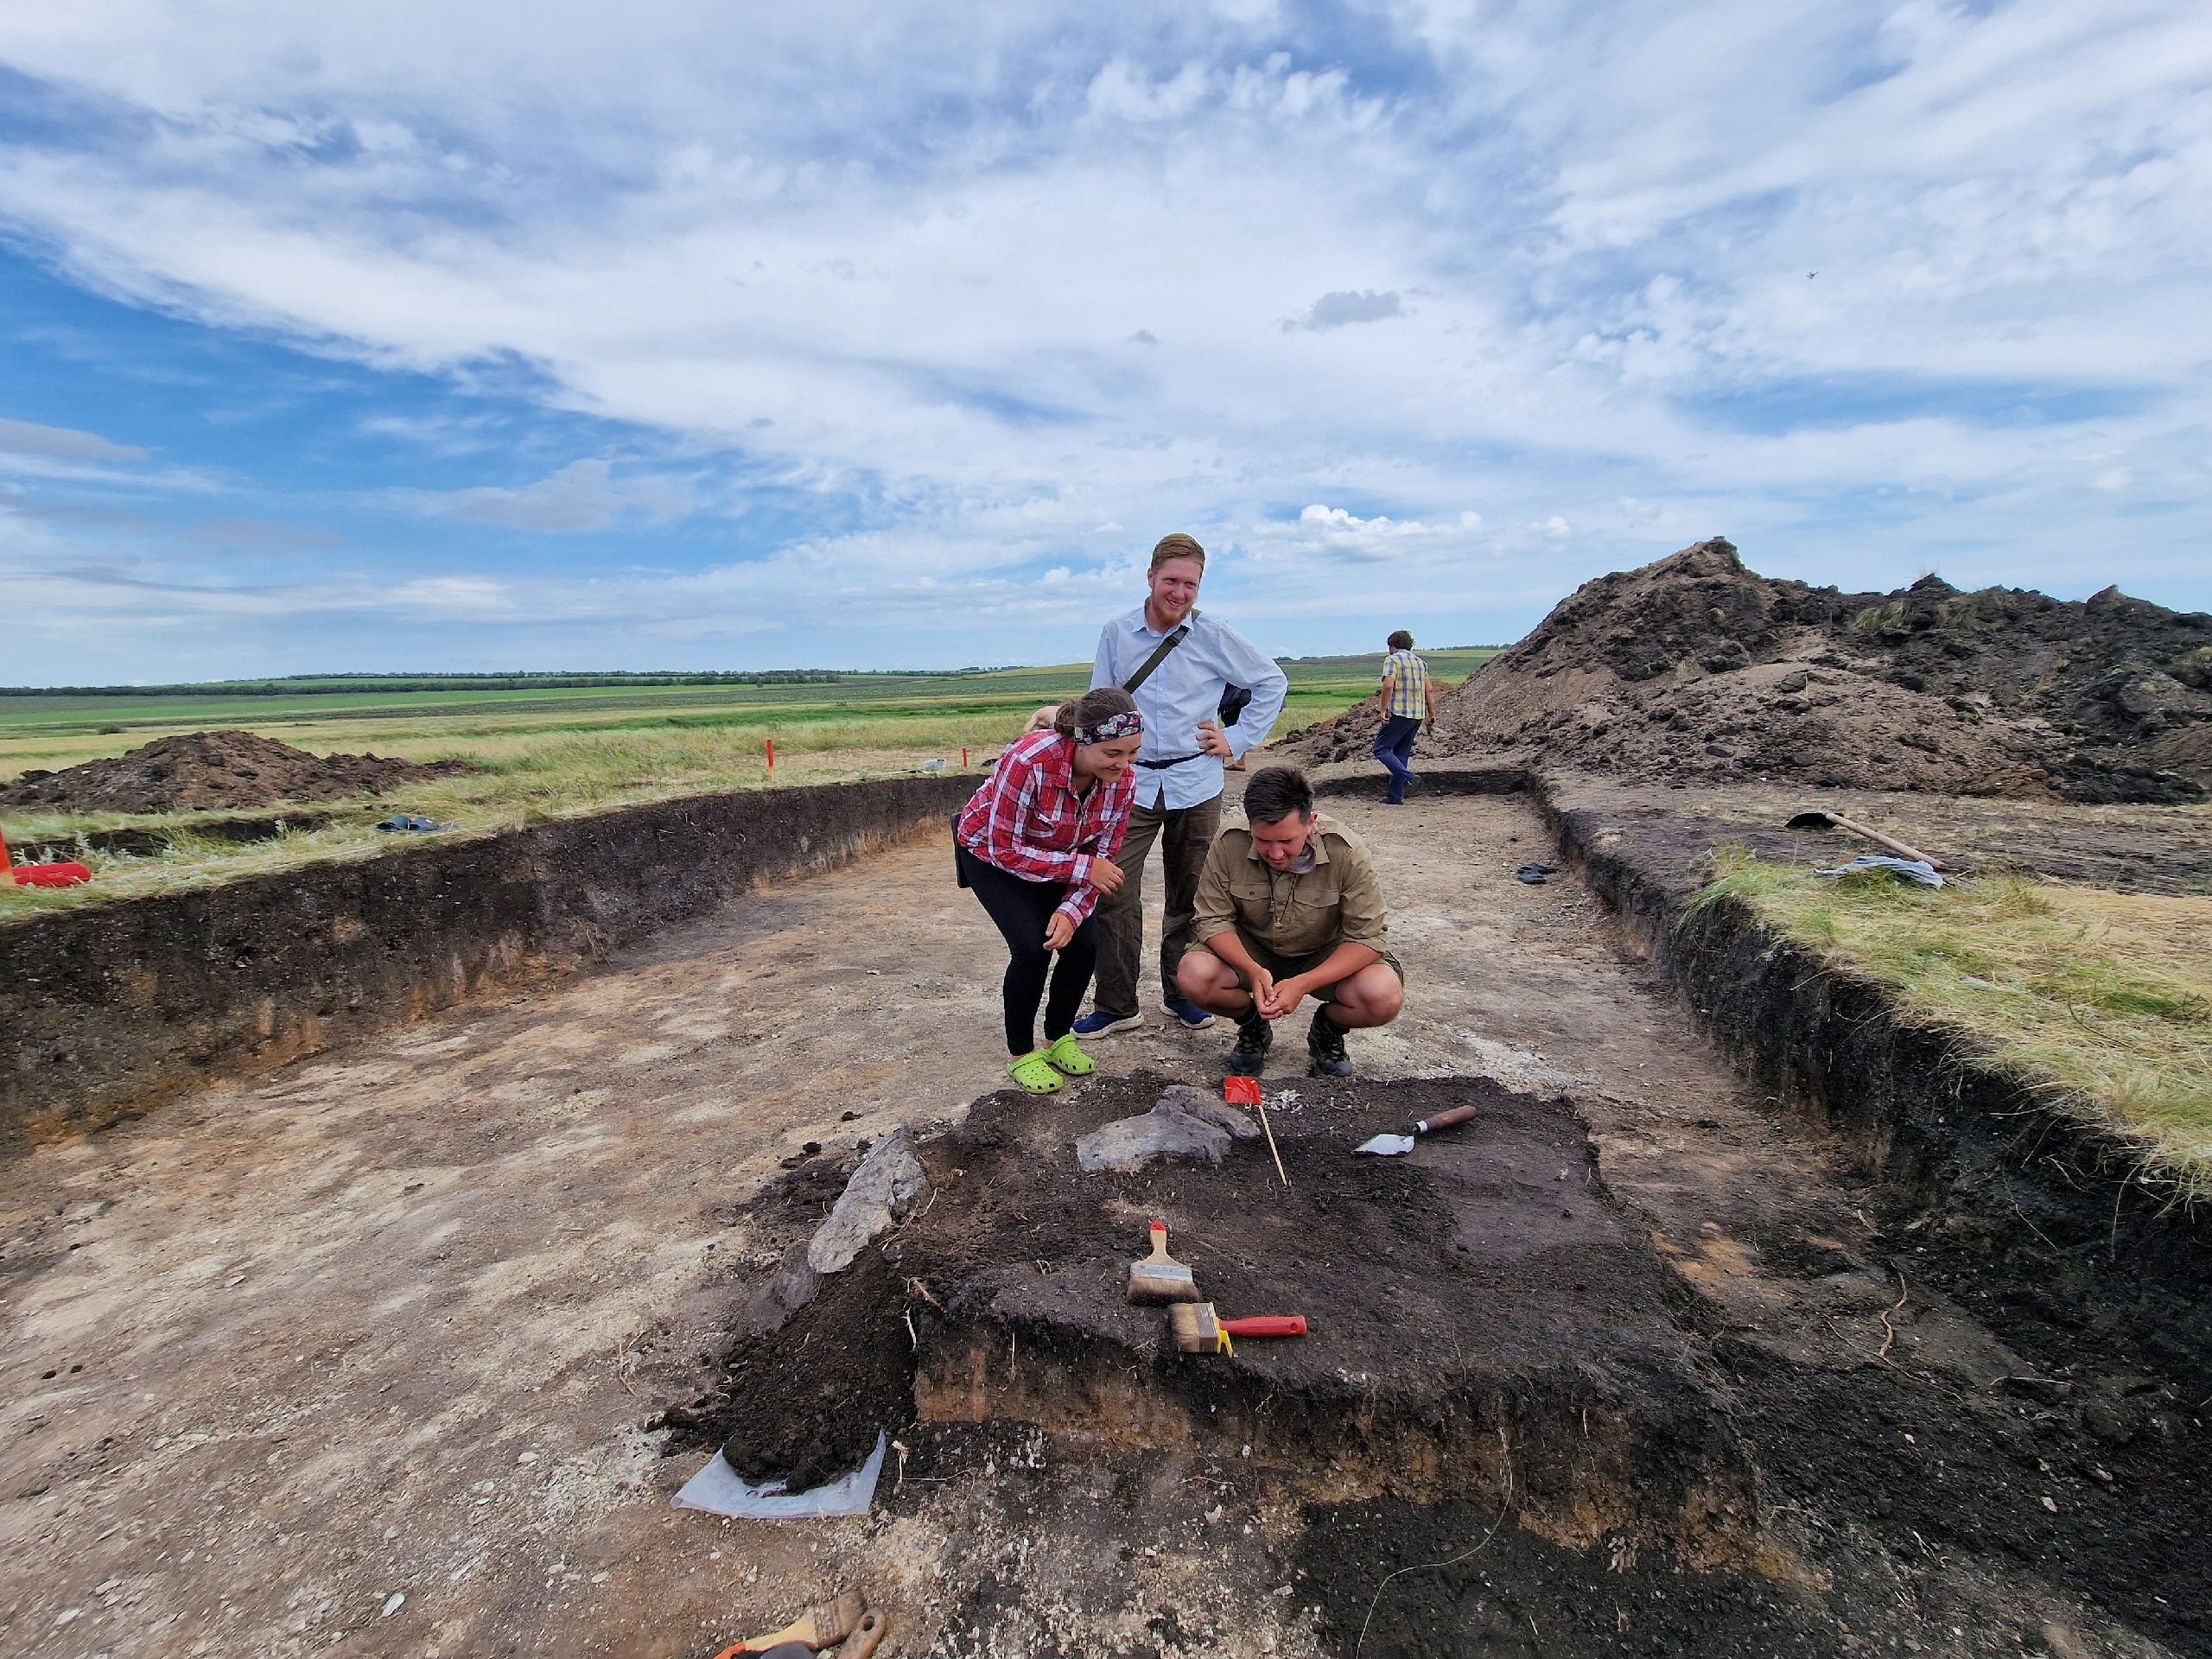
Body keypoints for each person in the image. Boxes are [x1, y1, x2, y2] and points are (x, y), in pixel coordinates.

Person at [1050, 533, 1290, 1038]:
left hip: (1195, 779)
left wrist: (1239, 738)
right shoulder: (1117, 633)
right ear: (1151, 578)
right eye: (1172, 581)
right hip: (1128, 785)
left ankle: (1181, 994)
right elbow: (1101, 703)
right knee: (1113, 891)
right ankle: (1118, 1005)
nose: (1180, 593)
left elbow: (1271, 681)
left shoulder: (1215, 633)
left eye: (1191, 584)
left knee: (1193, 895)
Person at [955, 687, 1142, 1094]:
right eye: (1113, 754)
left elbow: (1104, 859)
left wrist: (1073, 909)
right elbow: (1005, 847)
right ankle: (1021, 1053)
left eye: (1133, 753)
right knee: (1031, 947)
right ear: (1080, 740)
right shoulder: (1028, 761)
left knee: (1083, 943)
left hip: (1064, 857)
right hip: (992, 853)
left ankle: (1059, 1037)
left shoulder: (1123, 781)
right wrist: (1081, 868)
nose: (1125, 765)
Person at [1176, 764, 1403, 1078]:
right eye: (1263, 841)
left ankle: (1329, 1028)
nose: (1276, 853)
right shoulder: (1229, 842)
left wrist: (1303, 983)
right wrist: (1253, 970)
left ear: (1311, 822)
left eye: (1286, 841)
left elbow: (1367, 937)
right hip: (1252, 951)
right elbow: (1213, 919)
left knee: (1383, 996)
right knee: (1194, 975)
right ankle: (1253, 1024)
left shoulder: (1346, 852)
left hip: (1323, 954)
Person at [1371, 629, 1438, 805]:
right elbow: (1429, 689)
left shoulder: (1392, 660)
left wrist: (1383, 709)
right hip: (1417, 715)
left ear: (1392, 645)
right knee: (1401, 754)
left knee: (1381, 749)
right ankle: (1395, 796)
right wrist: (1432, 713)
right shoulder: (1420, 663)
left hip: (1399, 712)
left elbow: (1388, 686)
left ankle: (1409, 777)